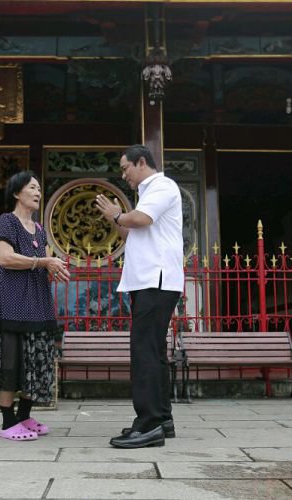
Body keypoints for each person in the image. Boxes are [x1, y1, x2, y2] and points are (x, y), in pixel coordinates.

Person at [94, 144, 184, 448]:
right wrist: (115, 218)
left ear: (141, 162)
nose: (124, 175)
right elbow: (131, 232)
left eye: (125, 168)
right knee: (154, 352)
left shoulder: (162, 185)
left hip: (155, 280)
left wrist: (118, 213)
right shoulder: (147, 194)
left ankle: (148, 424)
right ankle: (162, 419)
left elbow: (140, 219)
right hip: (150, 281)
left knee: (144, 352)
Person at [0, 171, 71, 441]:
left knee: (35, 360)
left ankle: (24, 416)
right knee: (10, 361)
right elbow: (5, 258)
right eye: (32, 187)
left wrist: (53, 266)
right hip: (10, 304)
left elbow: (44, 261)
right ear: (16, 193)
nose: (37, 193)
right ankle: (8, 422)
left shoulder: (40, 230)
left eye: (39, 189)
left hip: (36, 304)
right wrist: (43, 262)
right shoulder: (7, 221)